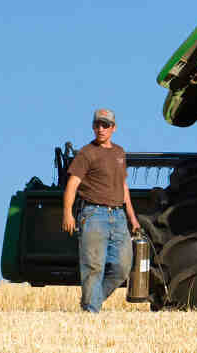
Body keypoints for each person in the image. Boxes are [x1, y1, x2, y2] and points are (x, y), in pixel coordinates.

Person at [62, 108, 141, 312]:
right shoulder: (86, 153)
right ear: (92, 126)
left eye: (105, 125)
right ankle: (91, 312)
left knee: (123, 267)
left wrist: (132, 218)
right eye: (97, 124)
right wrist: (67, 212)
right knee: (93, 267)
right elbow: (73, 183)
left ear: (114, 128)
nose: (100, 128)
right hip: (93, 214)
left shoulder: (119, 153)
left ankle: (92, 303)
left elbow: (123, 187)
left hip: (118, 215)